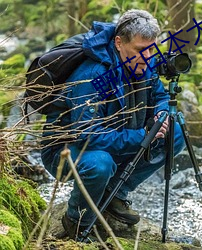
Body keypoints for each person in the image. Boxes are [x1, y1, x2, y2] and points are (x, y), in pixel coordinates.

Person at [41, 9, 185, 241]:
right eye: (141, 50)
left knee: (175, 132)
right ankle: (76, 221)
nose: (148, 56)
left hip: (116, 136)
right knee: (100, 164)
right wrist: (142, 135)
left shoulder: (142, 62)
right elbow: (87, 136)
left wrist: (161, 114)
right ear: (119, 43)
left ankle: (115, 193)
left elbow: (159, 96)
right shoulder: (92, 76)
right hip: (67, 150)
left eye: (152, 48)